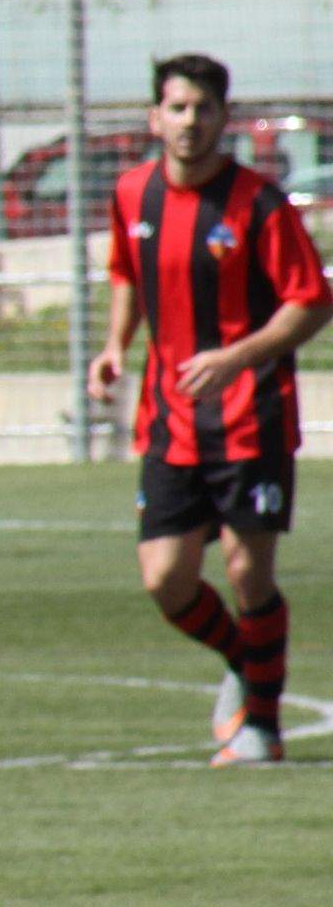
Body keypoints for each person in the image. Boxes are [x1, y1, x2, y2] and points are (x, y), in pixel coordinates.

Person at [85, 53, 331, 764]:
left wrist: (235, 357)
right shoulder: (133, 194)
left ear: (224, 117)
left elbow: (311, 301)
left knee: (248, 572)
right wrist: (114, 347)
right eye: (178, 107)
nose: (191, 121)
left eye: (204, 108)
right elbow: (127, 274)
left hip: (253, 413)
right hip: (170, 420)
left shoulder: (257, 203)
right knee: (166, 579)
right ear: (154, 116)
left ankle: (261, 727)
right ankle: (244, 666)